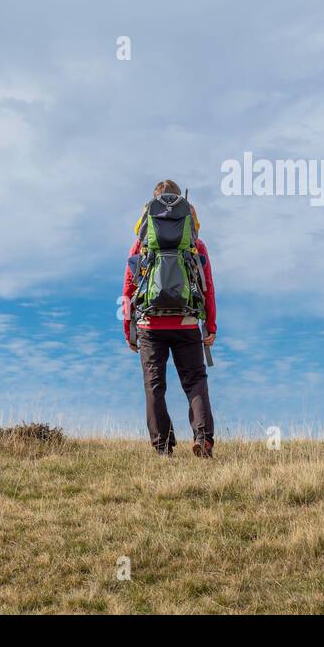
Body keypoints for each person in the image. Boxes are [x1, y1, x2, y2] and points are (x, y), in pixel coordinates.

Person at [122, 179, 217, 457]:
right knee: (195, 380)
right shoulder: (196, 245)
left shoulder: (141, 245)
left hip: (149, 322)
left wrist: (128, 328)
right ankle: (203, 439)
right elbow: (207, 287)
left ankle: (163, 447)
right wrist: (209, 326)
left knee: (154, 385)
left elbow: (128, 288)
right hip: (187, 321)